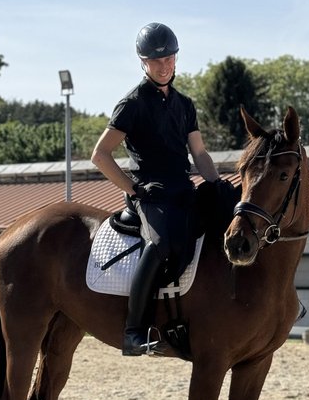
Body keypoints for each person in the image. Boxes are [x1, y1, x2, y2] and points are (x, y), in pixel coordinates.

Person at [90, 22, 226, 356]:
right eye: (156, 61)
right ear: (143, 61)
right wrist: (133, 189)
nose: (164, 66)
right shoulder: (132, 103)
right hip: (149, 193)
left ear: (176, 59)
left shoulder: (185, 104)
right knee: (162, 243)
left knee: (231, 212)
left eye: (169, 59)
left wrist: (216, 182)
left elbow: (199, 153)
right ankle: (134, 331)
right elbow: (100, 155)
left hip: (182, 188)